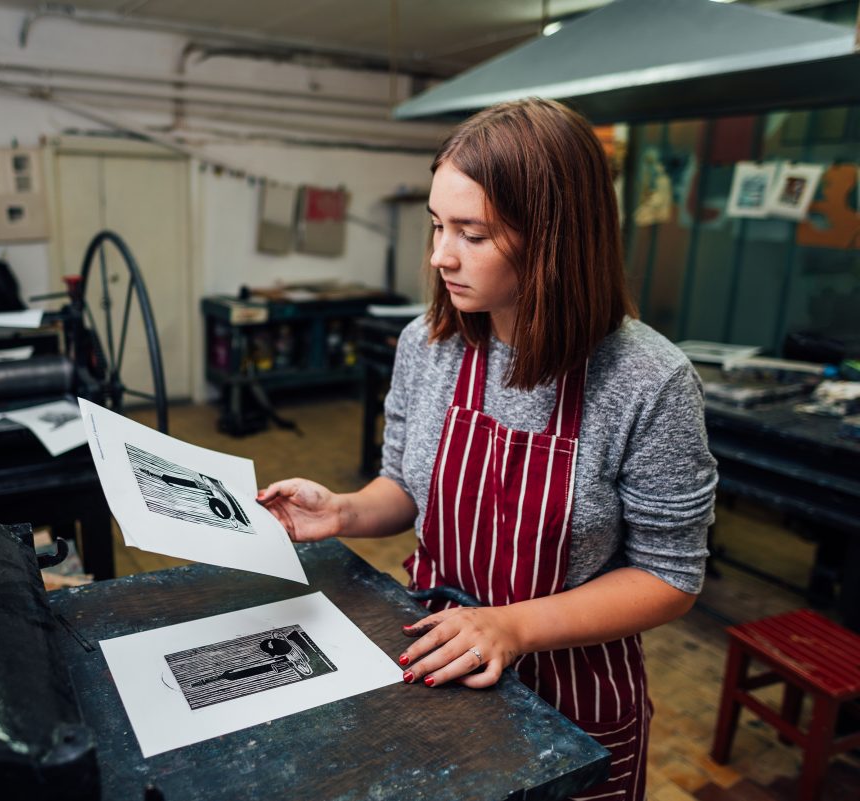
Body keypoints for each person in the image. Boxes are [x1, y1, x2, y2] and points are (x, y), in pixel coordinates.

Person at [257, 98, 716, 801]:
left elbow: (670, 577)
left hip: (576, 692)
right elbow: (409, 488)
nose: (441, 255)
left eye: (472, 233)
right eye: (438, 226)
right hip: (441, 656)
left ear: (555, 238)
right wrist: (343, 512)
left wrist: (512, 626)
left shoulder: (648, 380)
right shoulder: (429, 344)